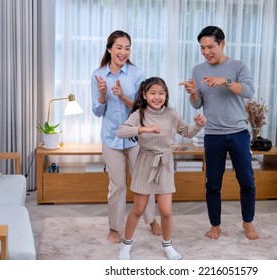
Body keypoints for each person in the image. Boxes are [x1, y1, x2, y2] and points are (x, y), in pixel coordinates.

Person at [179, 26, 259, 241]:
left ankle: (248, 222)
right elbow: (198, 105)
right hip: (213, 134)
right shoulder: (197, 70)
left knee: (247, 181)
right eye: (202, 48)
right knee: (213, 183)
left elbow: (249, 92)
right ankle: (215, 225)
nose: (206, 51)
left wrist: (226, 81)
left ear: (222, 44)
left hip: (239, 132)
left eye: (210, 47)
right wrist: (193, 92)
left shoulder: (238, 66)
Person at [117, 77, 206, 260]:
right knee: (138, 209)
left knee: (166, 211)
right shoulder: (139, 114)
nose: (157, 97)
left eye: (161, 93)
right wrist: (144, 129)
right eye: (152, 93)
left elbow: (186, 132)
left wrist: (197, 125)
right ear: (144, 95)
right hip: (145, 162)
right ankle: (126, 245)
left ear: (166, 95)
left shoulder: (172, 114)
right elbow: (121, 131)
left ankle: (168, 245)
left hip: (165, 163)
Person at [91, 30, 161, 244]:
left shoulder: (136, 73)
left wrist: (122, 96)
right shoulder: (98, 74)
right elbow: (97, 111)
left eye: (127, 48)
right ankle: (114, 228)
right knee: (118, 185)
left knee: (143, 181)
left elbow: (143, 107)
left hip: (134, 138)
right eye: (119, 47)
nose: (123, 52)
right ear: (109, 48)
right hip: (111, 138)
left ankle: (151, 220)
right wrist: (103, 95)